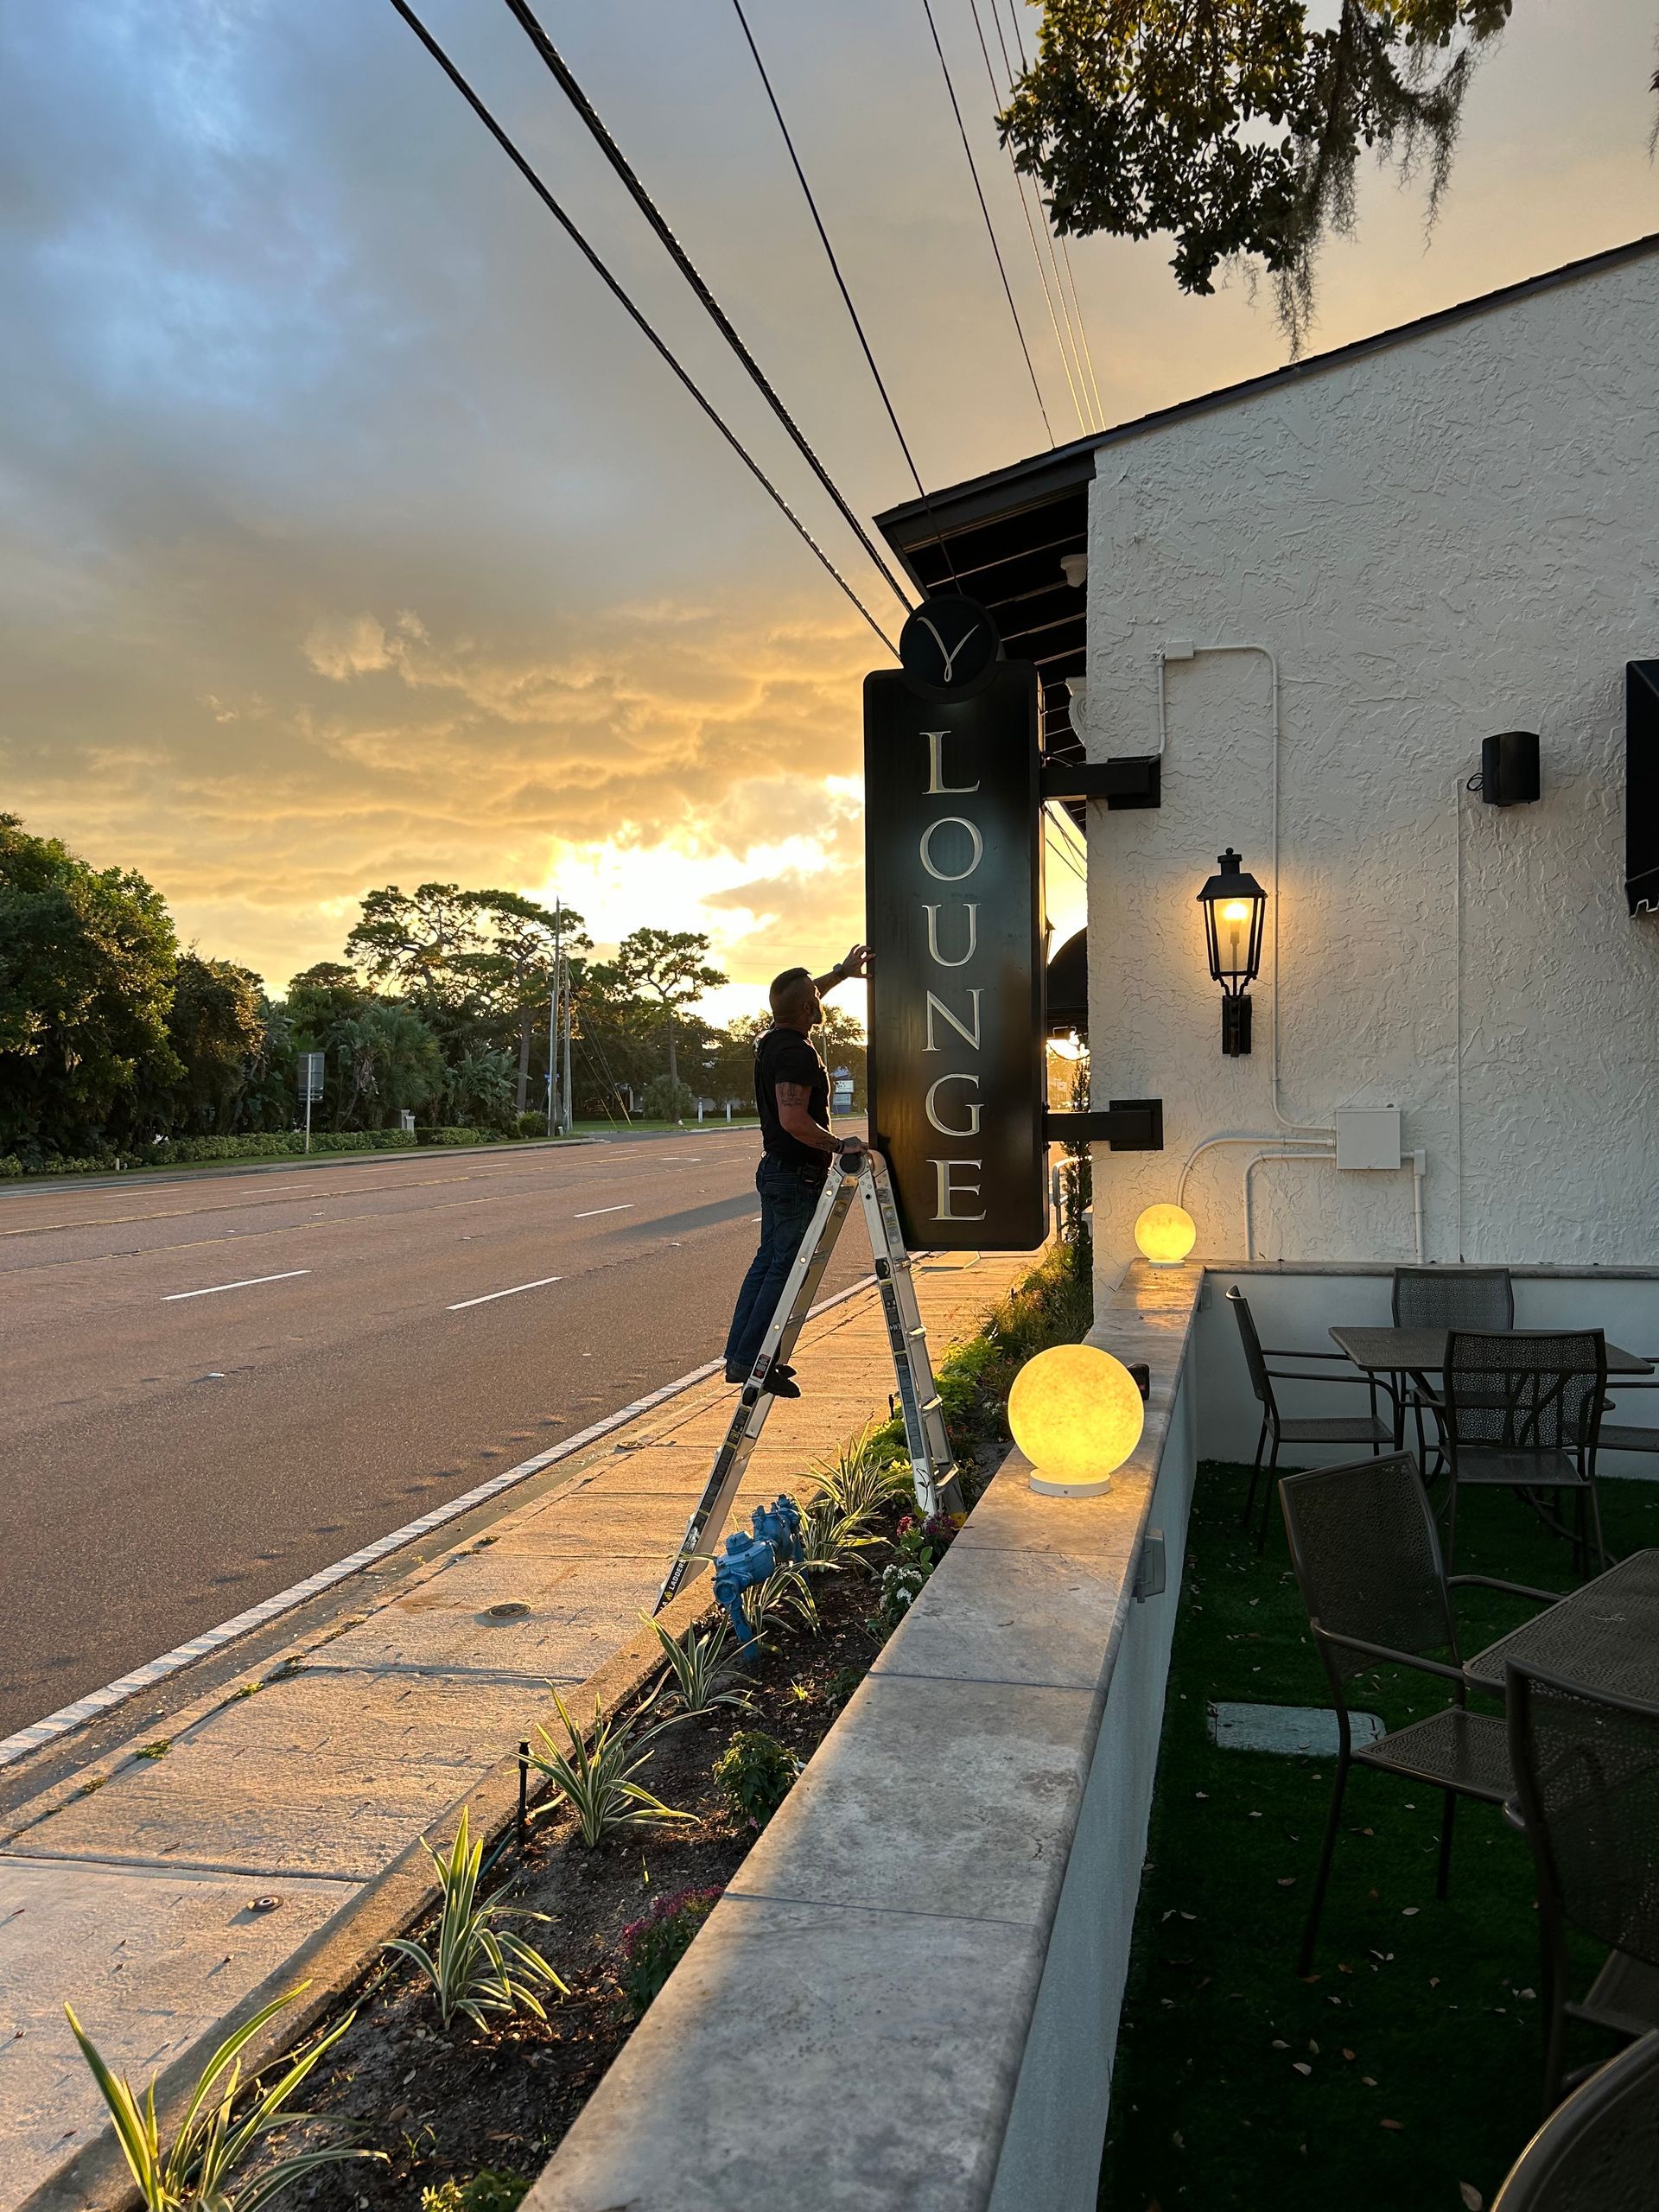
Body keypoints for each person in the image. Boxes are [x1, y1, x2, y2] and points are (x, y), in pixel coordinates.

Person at [722, 946, 870, 1395]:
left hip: (778, 1171)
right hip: (796, 1175)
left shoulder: (773, 1037)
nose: (820, 1001)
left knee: (769, 1262)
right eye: (816, 999)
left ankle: (742, 1358)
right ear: (808, 1009)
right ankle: (755, 1363)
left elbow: (801, 998)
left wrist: (841, 974)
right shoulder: (797, 1055)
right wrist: (839, 1144)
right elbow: (794, 1120)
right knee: (784, 1267)